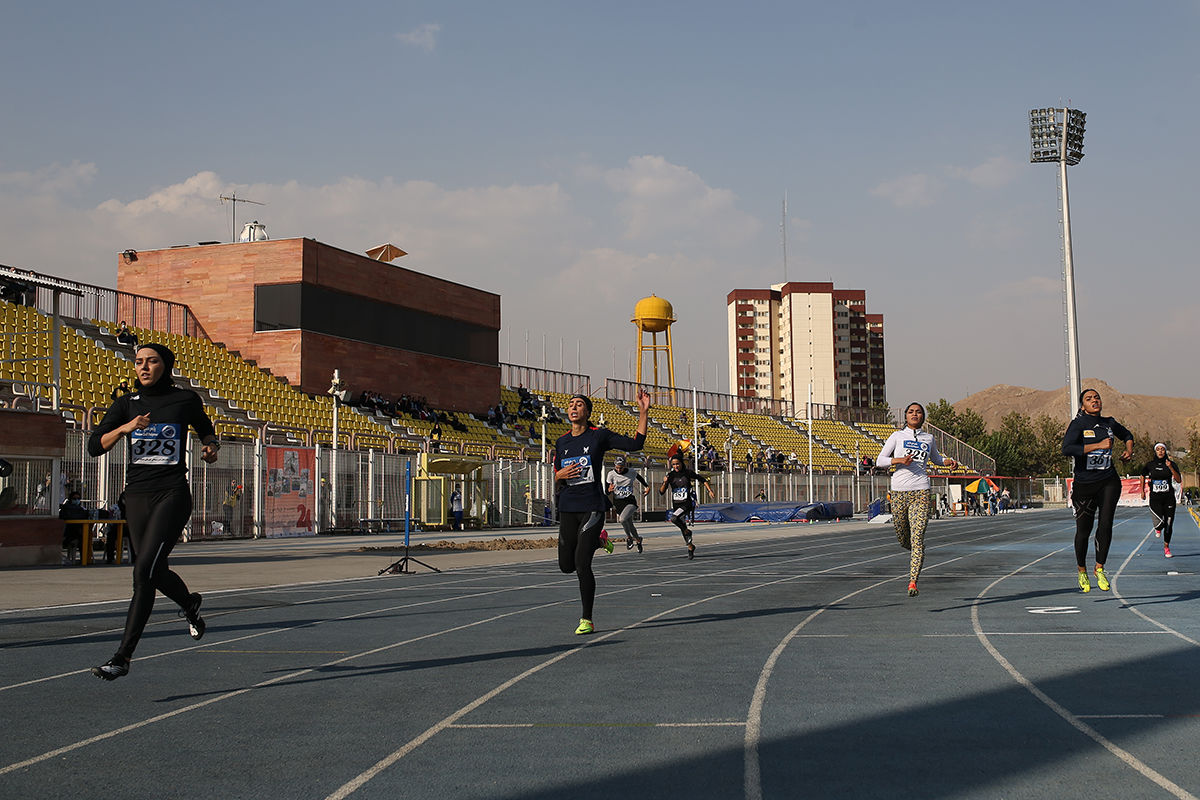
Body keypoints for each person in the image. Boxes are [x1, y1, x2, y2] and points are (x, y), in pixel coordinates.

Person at [86, 342, 221, 680]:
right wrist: (123, 429)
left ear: (166, 366)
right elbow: (93, 447)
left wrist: (210, 447)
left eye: (152, 361)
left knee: (143, 571)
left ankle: (122, 658)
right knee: (153, 571)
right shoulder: (126, 405)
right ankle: (189, 604)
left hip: (172, 493)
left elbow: (205, 428)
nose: (143, 367)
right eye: (138, 362)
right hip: (137, 497)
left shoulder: (185, 400)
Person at [554, 389, 650, 635]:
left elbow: (636, 444)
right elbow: (559, 477)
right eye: (571, 404)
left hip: (592, 507)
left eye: (579, 404)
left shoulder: (599, 436)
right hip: (568, 507)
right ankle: (599, 540)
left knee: (581, 564)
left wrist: (643, 411)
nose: (574, 407)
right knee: (566, 566)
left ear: (587, 412)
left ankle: (586, 619)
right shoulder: (562, 441)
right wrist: (558, 475)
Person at [876, 402, 958, 597]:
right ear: (906, 416)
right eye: (911, 412)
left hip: (920, 491)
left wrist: (947, 462)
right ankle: (916, 549)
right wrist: (898, 460)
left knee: (917, 537)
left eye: (918, 412)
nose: (915, 414)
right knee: (904, 538)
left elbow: (935, 459)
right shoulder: (897, 436)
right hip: (899, 492)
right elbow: (880, 461)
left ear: (922, 417)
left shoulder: (928, 438)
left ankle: (913, 581)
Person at [1061, 388, 1133, 593]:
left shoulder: (1109, 422)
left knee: (1106, 524)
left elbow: (1127, 434)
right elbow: (1066, 449)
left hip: (1108, 480)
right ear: (1083, 406)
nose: (1095, 401)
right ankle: (1082, 570)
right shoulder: (1078, 424)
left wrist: (1129, 449)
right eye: (1089, 399)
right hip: (1085, 484)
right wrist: (1097, 445)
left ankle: (1100, 568)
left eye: (1097, 398)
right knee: (1084, 531)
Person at [659, 453, 717, 560]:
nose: (675, 466)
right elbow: (661, 492)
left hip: (687, 503)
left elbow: (702, 479)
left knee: (674, 518)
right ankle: (690, 547)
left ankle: (687, 532)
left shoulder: (687, 473)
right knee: (680, 525)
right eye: (673, 464)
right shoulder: (670, 475)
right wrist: (664, 482)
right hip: (676, 504)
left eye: (677, 464)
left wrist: (710, 490)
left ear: (681, 463)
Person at [1140, 443, 1182, 558]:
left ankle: (1166, 547)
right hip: (1155, 499)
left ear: (1165, 451)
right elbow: (1142, 475)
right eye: (1158, 449)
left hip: (1169, 499)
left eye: (1162, 449)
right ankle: (1158, 528)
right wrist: (1142, 490)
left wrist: (1171, 468)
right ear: (1155, 451)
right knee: (1160, 524)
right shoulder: (1150, 465)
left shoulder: (1171, 464)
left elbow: (1178, 480)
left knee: (1168, 524)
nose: (1160, 451)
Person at [605, 456, 649, 553]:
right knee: (630, 525)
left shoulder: (631, 472)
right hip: (619, 502)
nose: (619, 470)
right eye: (617, 467)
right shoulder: (611, 474)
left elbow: (640, 478)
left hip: (629, 501)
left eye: (621, 467)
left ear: (625, 466)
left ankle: (629, 538)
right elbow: (607, 491)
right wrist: (609, 490)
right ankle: (638, 540)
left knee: (622, 519)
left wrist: (647, 486)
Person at [59, 491, 89, 563]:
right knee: (80, 538)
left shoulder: (81, 509)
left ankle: (84, 559)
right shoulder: (66, 508)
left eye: (78, 498)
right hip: (68, 534)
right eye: (74, 498)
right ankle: (83, 559)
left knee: (84, 538)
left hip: (78, 532)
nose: (76, 500)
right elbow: (64, 517)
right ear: (70, 499)